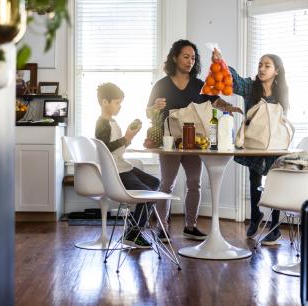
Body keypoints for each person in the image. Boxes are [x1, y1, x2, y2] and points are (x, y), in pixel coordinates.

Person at [146, 39, 242, 242]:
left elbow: (215, 101)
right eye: (186, 56)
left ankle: (190, 226)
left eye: (193, 58)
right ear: (175, 57)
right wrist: (155, 107)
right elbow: (148, 112)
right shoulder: (161, 85)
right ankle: (162, 228)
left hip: (195, 141)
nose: (190, 61)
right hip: (170, 141)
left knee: (194, 183)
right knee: (166, 185)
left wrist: (229, 107)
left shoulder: (199, 84)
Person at [213, 49, 290, 245]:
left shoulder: (282, 92)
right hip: (255, 143)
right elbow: (234, 81)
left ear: (277, 71)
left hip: (275, 145)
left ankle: (275, 227)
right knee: (254, 177)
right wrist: (221, 62)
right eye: (260, 65)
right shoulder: (250, 87)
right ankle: (255, 215)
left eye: (267, 65)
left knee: (274, 182)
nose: (262, 69)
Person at [95, 82, 159, 249]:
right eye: (117, 103)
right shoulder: (102, 123)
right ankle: (133, 234)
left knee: (154, 183)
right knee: (149, 194)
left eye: (120, 103)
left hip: (123, 166)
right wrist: (125, 138)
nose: (119, 107)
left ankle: (132, 229)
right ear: (104, 102)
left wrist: (129, 138)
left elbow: (117, 148)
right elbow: (105, 149)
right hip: (117, 171)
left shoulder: (112, 122)